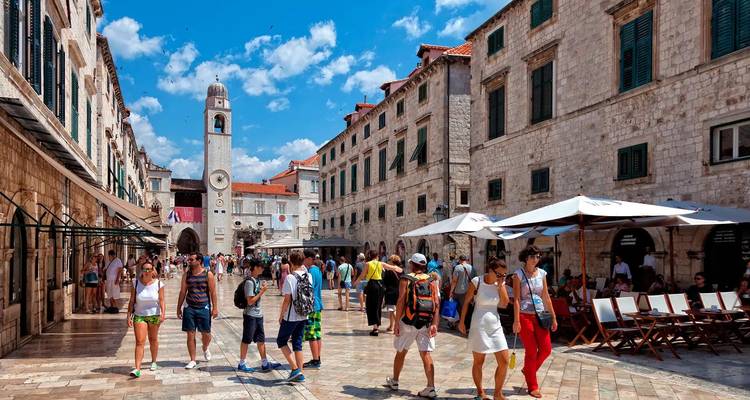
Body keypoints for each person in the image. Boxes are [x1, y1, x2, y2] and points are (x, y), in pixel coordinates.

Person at [385, 253, 440, 399]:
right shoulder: (432, 280)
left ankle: (395, 381)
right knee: (426, 353)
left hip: (408, 322)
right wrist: (435, 323)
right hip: (426, 322)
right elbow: (436, 303)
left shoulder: (406, 279)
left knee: (401, 351)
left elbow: (401, 301)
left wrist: (396, 323)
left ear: (412, 264)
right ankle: (431, 387)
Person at [458, 257, 510, 400]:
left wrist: (500, 286)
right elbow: (467, 302)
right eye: (498, 274)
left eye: (504, 275)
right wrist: (462, 322)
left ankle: (498, 393)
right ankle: (480, 392)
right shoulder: (477, 281)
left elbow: (505, 304)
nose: (501, 277)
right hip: (478, 324)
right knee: (479, 361)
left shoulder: (500, 283)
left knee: (504, 361)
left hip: (495, 324)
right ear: (490, 270)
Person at [513, 245, 557, 399]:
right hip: (525, 316)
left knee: (546, 349)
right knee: (531, 351)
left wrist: (554, 317)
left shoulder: (542, 274)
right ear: (526, 257)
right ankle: (533, 386)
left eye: (538, 256)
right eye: (533, 256)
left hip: (541, 315)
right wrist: (516, 320)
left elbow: (546, 296)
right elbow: (517, 299)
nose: (536, 259)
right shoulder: (518, 275)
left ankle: (528, 370)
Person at [177, 252, 218, 369]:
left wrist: (215, 308)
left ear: (199, 261)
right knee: (190, 334)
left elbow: (213, 292)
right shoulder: (186, 275)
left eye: (191, 260)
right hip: (189, 307)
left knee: (206, 334)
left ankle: (205, 347)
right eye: (189, 260)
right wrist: (178, 307)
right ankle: (192, 359)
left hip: (204, 306)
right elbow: (182, 292)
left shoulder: (208, 274)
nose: (189, 261)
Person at [238, 260, 281, 372]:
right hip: (250, 315)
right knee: (246, 339)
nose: (263, 269)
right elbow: (250, 301)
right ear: (255, 267)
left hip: (258, 315)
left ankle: (265, 363)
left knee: (261, 339)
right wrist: (262, 292)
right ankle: (242, 363)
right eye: (261, 267)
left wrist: (261, 290)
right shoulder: (249, 282)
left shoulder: (256, 280)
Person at [277, 251, 313, 382]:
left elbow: (287, 299)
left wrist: (281, 315)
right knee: (298, 344)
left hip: (291, 316)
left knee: (281, 341)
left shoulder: (290, 278)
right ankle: (300, 373)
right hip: (304, 314)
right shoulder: (308, 276)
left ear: (291, 262)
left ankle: (294, 369)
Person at [126, 261, 165, 378]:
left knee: (153, 339)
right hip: (139, 315)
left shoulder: (159, 284)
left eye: (149, 269)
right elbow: (132, 300)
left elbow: (162, 300)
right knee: (140, 341)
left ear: (153, 270)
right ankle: (137, 368)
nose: (147, 271)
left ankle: (153, 361)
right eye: (145, 269)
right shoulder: (136, 283)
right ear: (141, 270)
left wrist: (163, 313)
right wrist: (128, 315)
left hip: (154, 315)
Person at [353, 250, 403, 336]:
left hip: (372, 285)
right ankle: (377, 326)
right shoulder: (381, 263)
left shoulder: (368, 264)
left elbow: (362, 275)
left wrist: (356, 282)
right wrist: (400, 269)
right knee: (378, 307)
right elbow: (393, 268)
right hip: (380, 286)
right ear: (377, 256)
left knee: (371, 306)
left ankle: (375, 328)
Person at [303, 250, 324, 369]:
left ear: (309, 258)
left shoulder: (311, 271)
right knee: (317, 333)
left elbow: (309, 289)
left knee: (311, 334)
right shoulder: (318, 270)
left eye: (304, 258)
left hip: (312, 306)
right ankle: (317, 357)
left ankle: (315, 360)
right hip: (318, 304)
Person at [449, 255, 474, 328]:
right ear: (466, 259)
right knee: (467, 308)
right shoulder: (472, 268)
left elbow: (454, 281)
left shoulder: (457, 267)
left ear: (460, 260)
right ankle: (466, 325)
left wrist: (451, 291)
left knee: (457, 309)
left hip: (458, 292)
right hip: (468, 292)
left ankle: (458, 324)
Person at [383, 255, 402, 333]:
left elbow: (385, 282)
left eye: (389, 260)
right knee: (393, 310)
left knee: (392, 309)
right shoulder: (401, 270)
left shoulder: (389, 270)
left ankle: (398, 326)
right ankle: (391, 326)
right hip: (399, 291)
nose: (388, 261)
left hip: (390, 291)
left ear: (392, 261)